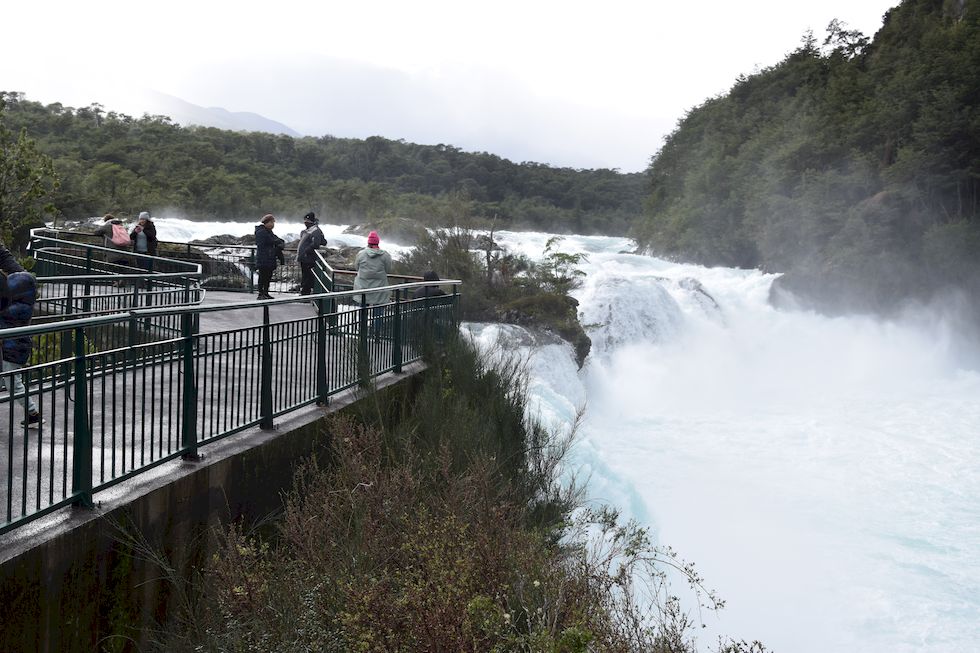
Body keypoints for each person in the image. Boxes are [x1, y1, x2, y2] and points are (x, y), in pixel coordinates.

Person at [0, 271, 42, 428]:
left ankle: (33, 413)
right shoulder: (20, 304)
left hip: (13, 350)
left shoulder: (18, 308)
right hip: (10, 348)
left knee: (13, 383)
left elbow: (4, 313)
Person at [353, 230, 392, 337]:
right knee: (378, 313)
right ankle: (377, 334)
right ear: (377, 243)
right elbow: (388, 269)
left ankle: (362, 331)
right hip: (379, 288)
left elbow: (356, 267)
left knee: (363, 310)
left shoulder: (361, 254)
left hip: (363, 287)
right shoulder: (385, 255)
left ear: (368, 243)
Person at [254, 213, 285, 300]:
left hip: (269, 258)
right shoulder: (261, 232)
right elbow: (273, 241)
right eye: (271, 222)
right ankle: (261, 293)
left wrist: (278, 243)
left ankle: (266, 293)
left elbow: (278, 240)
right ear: (266, 223)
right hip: (264, 258)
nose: (273, 224)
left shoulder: (268, 232)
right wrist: (278, 243)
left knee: (268, 277)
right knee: (263, 276)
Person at [94, 213, 132, 282]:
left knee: (111, 267)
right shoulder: (120, 225)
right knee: (121, 267)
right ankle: (121, 279)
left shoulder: (107, 226)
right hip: (123, 251)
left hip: (112, 252)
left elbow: (96, 232)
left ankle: (117, 281)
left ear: (106, 220)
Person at [297, 211, 326, 295]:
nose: (305, 223)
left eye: (307, 222)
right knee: (305, 275)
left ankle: (306, 292)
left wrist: (307, 250)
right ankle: (304, 291)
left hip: (309, 258)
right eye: (305, 221)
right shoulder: (306, 231)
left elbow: (316, 244)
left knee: (308, 276)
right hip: (303, 257)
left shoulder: (315, 231)